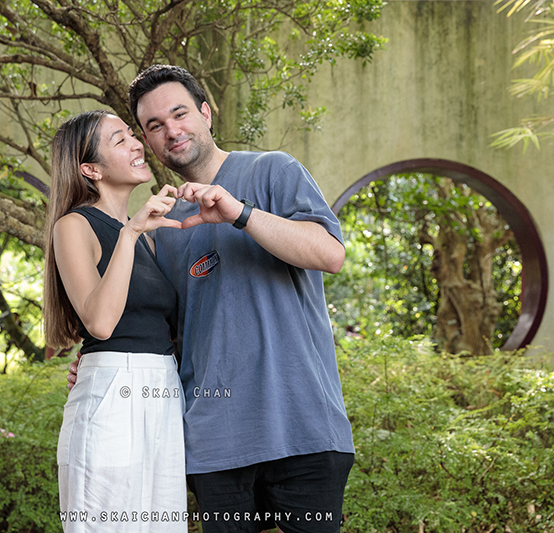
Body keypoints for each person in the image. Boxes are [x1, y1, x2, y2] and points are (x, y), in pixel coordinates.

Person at [71, 66, 356, 532]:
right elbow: (161, 327)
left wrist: (240, 213)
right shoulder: (164, 227)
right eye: (154, 126)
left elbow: (329, 254)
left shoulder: (273, 169)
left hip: (304, 429)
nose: (171, 131)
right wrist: (100, 362)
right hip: (213, 442)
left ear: (205, 113)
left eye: (179, 114)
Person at [43, 109, 188, 533]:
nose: (137, 143)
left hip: (162, 392)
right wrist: (130, 234)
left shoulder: (146, 234)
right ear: (91, 169)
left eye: (131, 134)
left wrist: (137, 231)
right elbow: (101, 323)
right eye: (119, 140)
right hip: (111, 394)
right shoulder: (75, 226)